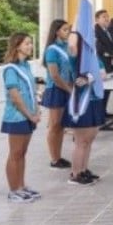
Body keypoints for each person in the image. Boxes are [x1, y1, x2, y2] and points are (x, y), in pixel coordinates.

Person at [1, 32, 42, 204]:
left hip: (28, 115)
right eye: (26, 43)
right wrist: (29, 115)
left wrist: (37, 110)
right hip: (17, 117)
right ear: (17, 46)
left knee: (22, 153)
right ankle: (13, 190)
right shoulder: (11, 69)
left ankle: (21, 185)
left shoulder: (25, 66)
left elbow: (32, 91)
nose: (30, 46)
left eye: (31, 43)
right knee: (15, 153)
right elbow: (15, 97)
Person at [65, 31, 106, 186]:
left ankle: (83, 170)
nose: (94, 39)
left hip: (94, 100)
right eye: (90, 37)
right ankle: (75, 174)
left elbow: (103, 74)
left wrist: (90, 77)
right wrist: (77, 29)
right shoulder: (76, 57)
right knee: (81, 141)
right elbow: (71, 44)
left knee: (89, 139)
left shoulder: (94, 57)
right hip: (81, 102)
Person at [41, 19, 73, 169]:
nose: (68, 32)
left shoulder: (67, 46)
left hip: (66, 88)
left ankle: (58, 156)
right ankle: (54, 159)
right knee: (54, 125)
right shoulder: (52, 50)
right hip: (56, 89)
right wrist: (68, 89)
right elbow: (54, 75)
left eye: (68, 29)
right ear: (57, 31)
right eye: (65, 30)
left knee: (61, 126)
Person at [95, 9, 113, 115]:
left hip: (110, 63)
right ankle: (99, 112)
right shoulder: (95, 31)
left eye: (107, 16)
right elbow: (99, 48)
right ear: (97, 19)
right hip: (101, 63)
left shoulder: (109, 30)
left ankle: (103, 111)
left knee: (108, 88)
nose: (107, 18)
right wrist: (112, 54)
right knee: (102, 88)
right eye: (104, 16)